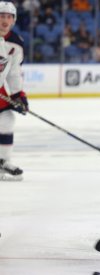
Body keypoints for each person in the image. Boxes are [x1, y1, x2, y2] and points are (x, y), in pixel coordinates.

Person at [0, 1, 28, 181]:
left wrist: (19, 96)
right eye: (1, 16)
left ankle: (3, 161)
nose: (4, 20)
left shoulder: (16, 43)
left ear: (14, 20)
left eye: (8, 17)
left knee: (7, 120)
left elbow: (14, 73)